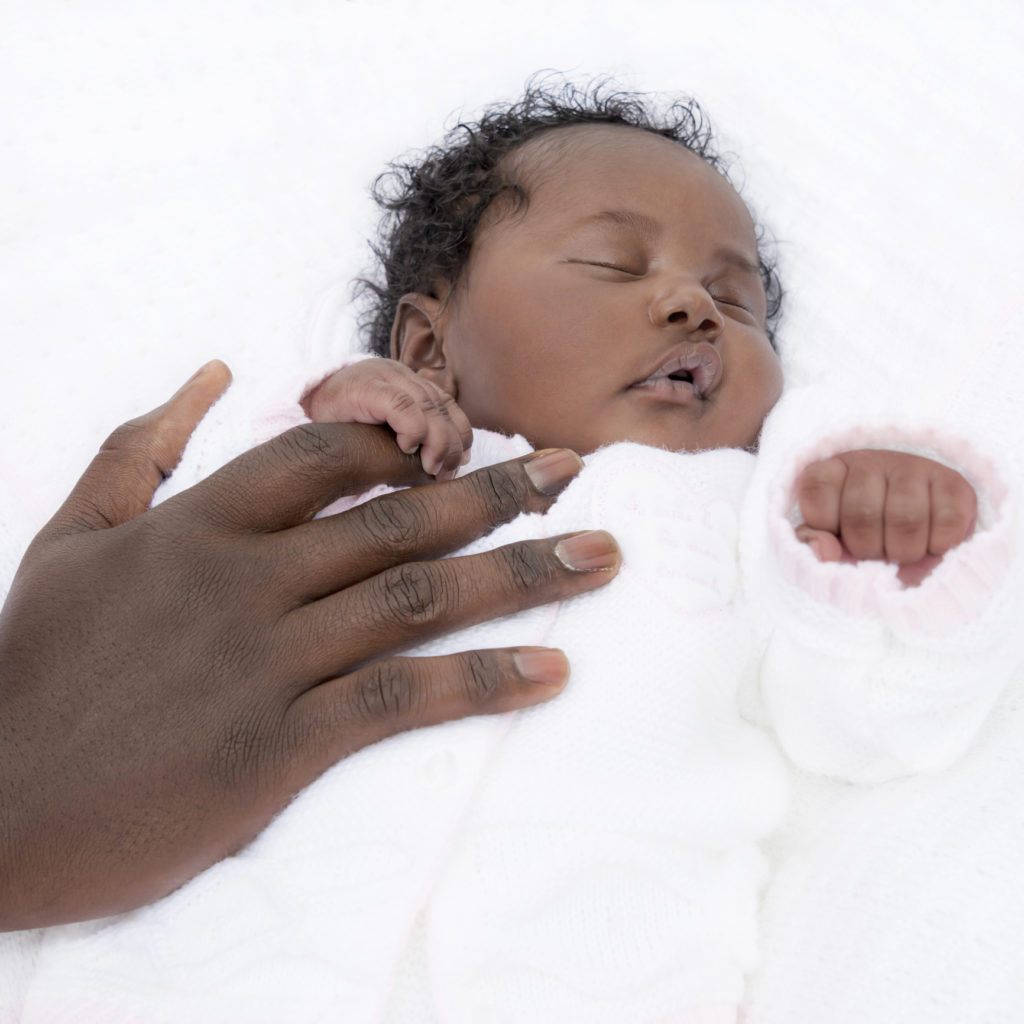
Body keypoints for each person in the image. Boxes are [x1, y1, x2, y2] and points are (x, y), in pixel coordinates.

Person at [8, 80, 1016, 1024]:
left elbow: (867, 725)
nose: (693, 307)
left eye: (737, 301)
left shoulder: (754, 511)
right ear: (426, 348)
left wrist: (892, 555)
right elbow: (185, 580)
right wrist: (328, 404)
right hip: (212, 976)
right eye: (614, 265)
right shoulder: (371, 467)